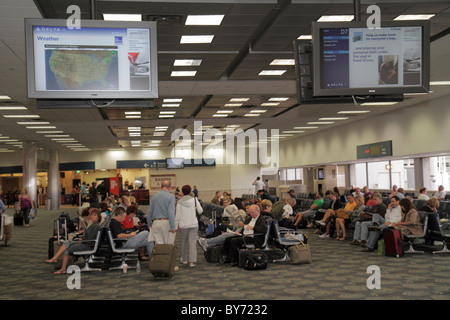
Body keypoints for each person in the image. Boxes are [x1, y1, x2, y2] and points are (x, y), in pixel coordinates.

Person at [46, 208, 102, 274]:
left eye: (95, 215)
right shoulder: (93, 225)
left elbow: (92, 239)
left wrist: (82, 240)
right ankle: (59, 264)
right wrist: (81, 239)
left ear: (98, 217)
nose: (92, 216)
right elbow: (89, 237)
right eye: (92, 215)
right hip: (86, 244)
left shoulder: (95, 226)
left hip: (88, 245)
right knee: (67, 243)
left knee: (67, 248)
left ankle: (60, 265)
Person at [175, 185, 202, 268]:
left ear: (182, 192)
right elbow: (200, 211)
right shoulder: (194, 200)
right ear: (190, 191)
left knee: (184, 242)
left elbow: (177, 216)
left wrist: (176, 225)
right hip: (193, 224)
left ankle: (184, 259)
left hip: (183, 225)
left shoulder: (179, 202)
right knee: (192, 243)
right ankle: (192, 262)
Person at [147, 180, 176, 245]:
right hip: (166, 223)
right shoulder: (171, 197)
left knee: (158, 245)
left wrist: (149, 224)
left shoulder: (154, 196)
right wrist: (172, 227)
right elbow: (171, 213)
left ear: (161, 187)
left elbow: (149, 212)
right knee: (168, 246)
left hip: (156, 223)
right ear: (170, 187)